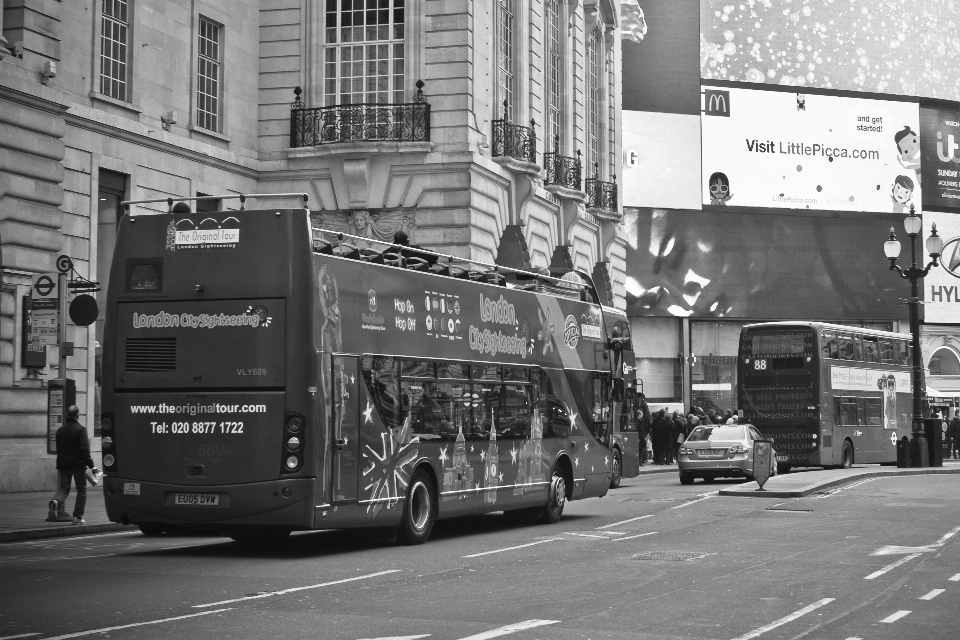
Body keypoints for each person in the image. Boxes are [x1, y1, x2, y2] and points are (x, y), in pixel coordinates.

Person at [47, 405, 98, 525]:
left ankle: (55, 501)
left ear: (66, 415)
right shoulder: (81, 430)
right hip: (78, 466)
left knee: (64, 489)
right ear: (77, 415)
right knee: (81, 490)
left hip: (63, 465)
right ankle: (77, 517)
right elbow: (84, 450)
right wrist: (91, 465)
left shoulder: (60, 430)